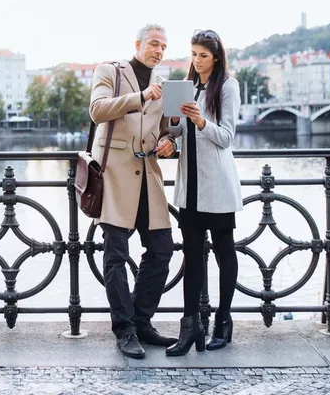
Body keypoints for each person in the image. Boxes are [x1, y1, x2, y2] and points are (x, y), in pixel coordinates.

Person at [89, 24, 178, 359]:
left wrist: (170, 140)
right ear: (138, 44)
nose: (158, 50)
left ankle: (141, 322)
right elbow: (97, 110)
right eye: (154, 44)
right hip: (114, 176)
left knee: (162, 249)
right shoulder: (109, 71)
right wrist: (140, 97)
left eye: (164, 47)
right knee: (115, 255)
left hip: (149, 177)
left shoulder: (168, 85)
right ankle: (124, 330)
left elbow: (172, 126)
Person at [165, 29, 242, 356]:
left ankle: (223, 320)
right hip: (190, 187)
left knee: (225, 252)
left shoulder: (227, 86)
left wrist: (199, 122)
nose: (196, 61)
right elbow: (177, 132)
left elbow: (226, 137)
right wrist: (172, 118)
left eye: (203, 55)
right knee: (192, 256)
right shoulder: (187, 86)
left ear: (216, 57)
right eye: (193, 54)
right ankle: (190, 326)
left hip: (218, 186)